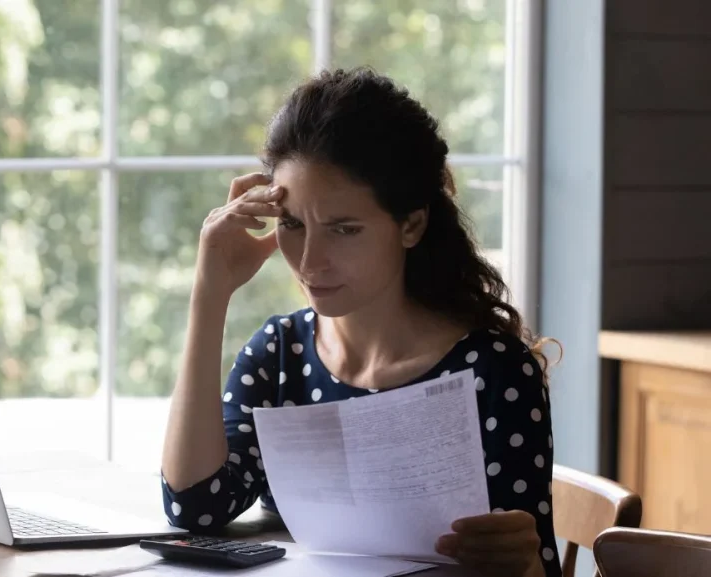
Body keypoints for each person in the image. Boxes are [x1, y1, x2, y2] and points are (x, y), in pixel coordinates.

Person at [159, 67, 561, 577]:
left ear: (411, 225)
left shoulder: (494, 371)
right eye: (292, 225)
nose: (309, 262)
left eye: (344, 229)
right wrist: (209, 294)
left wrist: (522, 560)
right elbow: (194, 507)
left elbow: (538, 566)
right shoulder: (279, 354)